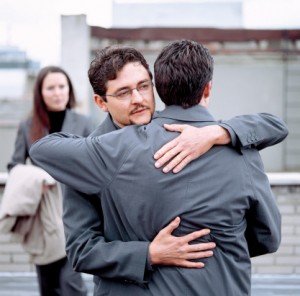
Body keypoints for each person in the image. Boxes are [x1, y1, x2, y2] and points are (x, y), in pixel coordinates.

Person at [30, 43, 287, 295]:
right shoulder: (90, 159)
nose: (139, 99)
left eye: (144, 86)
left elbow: (274, 126)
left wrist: (220, 131)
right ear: (100, 102)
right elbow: (82, 252)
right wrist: (148, 254)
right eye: (123, 92)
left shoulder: (198, 133)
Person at [7, 66, 92, 296]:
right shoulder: (28, 125)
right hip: (44, 212)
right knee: (48, 284)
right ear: (41, 93)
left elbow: (95, 162)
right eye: (51, 88)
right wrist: (37, 179)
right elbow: (14, 165)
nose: (57, 93)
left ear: (69, 90)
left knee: (71, 284)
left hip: (76, 211)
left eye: (62, 86)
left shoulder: (84, 123)